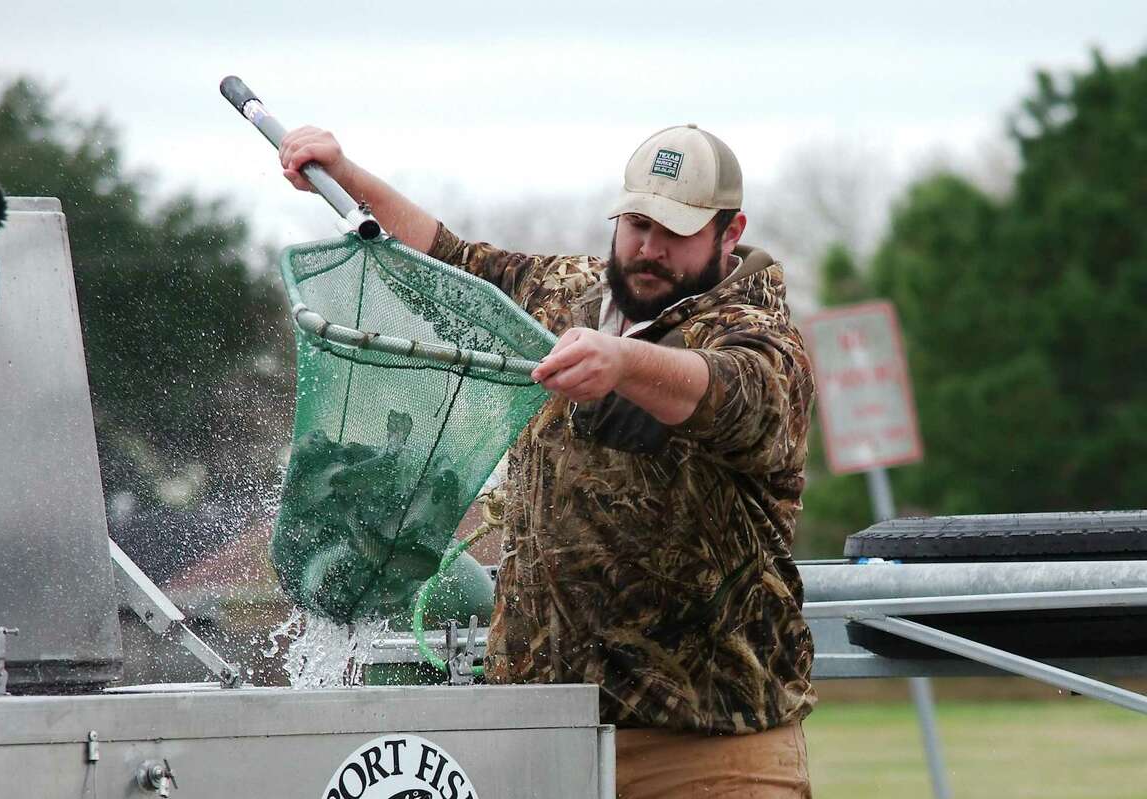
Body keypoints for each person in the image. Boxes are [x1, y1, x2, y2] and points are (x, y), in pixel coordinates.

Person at [280, 123, 817, 798]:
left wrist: (621, 361)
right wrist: (345, 174)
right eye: (638, 224)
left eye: (675, 232)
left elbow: (731, 388)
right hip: (542, 741)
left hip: (708, 753)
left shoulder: (764, 342)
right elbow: (449, 264)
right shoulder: (566, 294)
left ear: (729, 232)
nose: (650, 248)